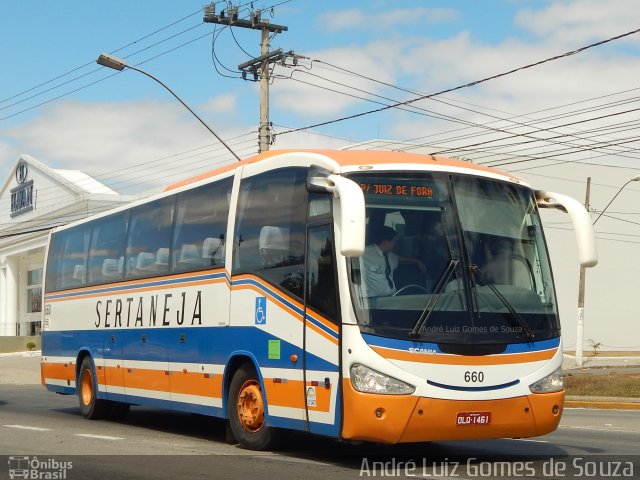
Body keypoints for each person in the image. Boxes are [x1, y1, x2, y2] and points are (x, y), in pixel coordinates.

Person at [362, 226, 426, 297]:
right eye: (394, 241)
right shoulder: (364, 253)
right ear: (385, 242)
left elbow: (399, 258)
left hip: (391, 298)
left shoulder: (389, 255)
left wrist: (416, 261)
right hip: (372, 301)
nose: (396, 243)